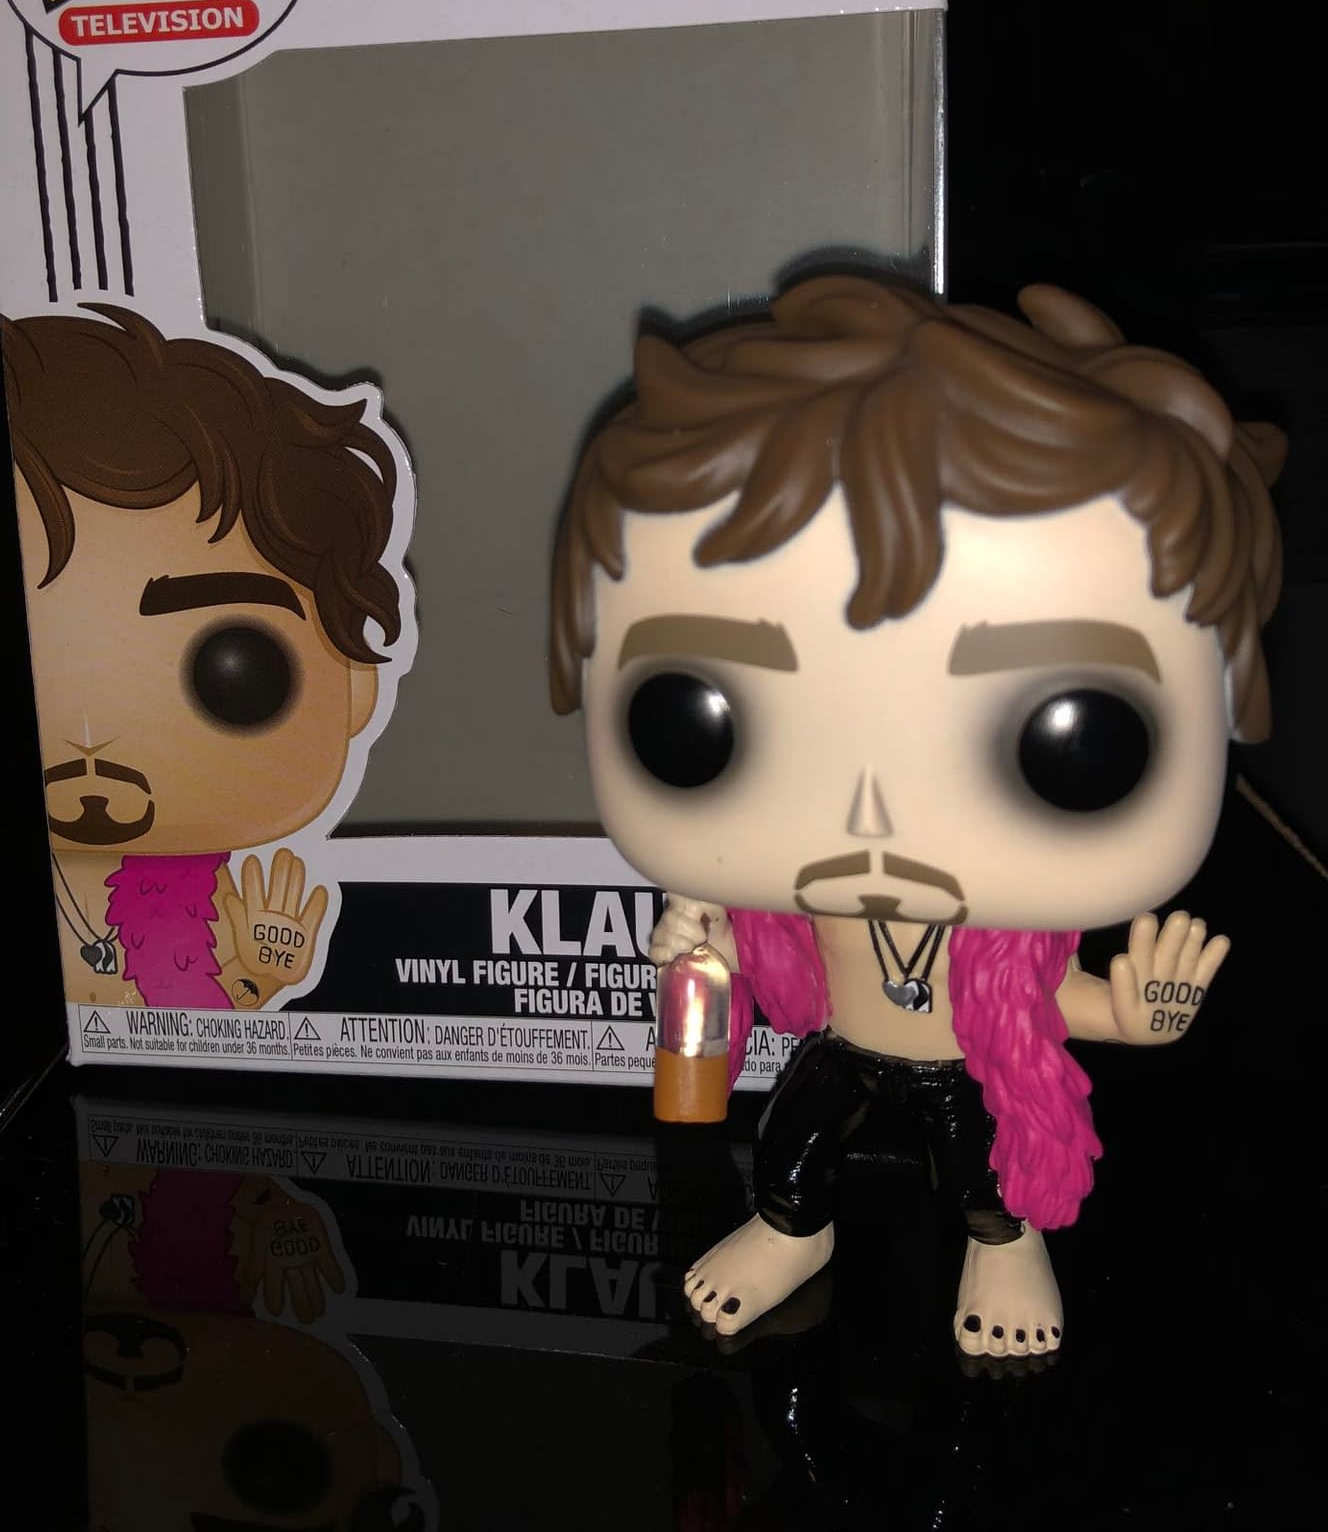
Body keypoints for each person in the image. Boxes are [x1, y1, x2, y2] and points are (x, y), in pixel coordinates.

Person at [550, 273, 1283, 1356]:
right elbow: (763, 972)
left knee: (985, 1173)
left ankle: (1004, 1243)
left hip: (967, 1063)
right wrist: (704, 946)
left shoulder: (1004, 940)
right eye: (694, 724)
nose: (870, 818)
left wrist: (1140, 1018)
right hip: (844, 1048)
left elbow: (1056, 1004)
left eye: (1072, 743)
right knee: (792, 1148)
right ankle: (793, 1229)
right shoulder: (784, 904)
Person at [4, 303, 413, 1012]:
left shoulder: (207, 893)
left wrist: (260, 976)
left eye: (236, 675)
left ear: (357, 687)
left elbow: (204, 1015)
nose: (94, 749)